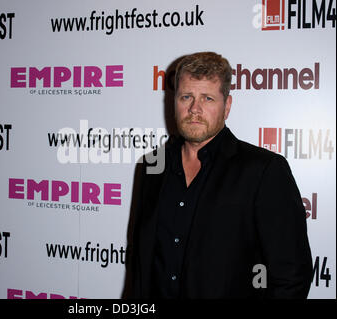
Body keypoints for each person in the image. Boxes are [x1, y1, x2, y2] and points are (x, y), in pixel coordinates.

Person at [127, 52, 313, 299]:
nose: (195, 108)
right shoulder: (152, 167)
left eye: (207, 98)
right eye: (186, 97)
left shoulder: (264, 171)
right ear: (173, 102)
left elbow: (291, 276)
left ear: (227, 106)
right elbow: (141, 263)